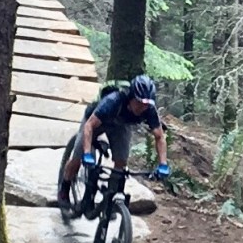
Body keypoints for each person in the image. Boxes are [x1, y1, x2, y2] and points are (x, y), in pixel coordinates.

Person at [57, 74, 170, 214]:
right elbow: (89, 126)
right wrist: (86, 154)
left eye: (146, 104)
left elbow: (159, 136)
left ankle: (108, 201)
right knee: (77, 158)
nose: (142, 107)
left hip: (121, 126)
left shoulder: (149, 110)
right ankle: (65, 187)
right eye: (139, 102)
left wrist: (163, 164)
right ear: (131, 97)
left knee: (120, 164)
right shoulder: (113, 101)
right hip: (96, 122)